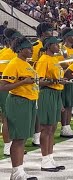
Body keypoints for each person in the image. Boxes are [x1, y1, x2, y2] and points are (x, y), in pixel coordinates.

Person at [0, 36, 38, 180]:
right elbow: (2, 86)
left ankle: (19, 171)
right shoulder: (14, 63)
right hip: (18, 102)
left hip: (28, 101)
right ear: (20, 49)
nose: (31, 50)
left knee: (22, 139)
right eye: (29, 48)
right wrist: (22, 84)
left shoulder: (26, 64)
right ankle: (16, 173)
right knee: (18, 139)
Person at [36, 36, 66, 172]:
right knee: (46, 128)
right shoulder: (43, 60)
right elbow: (39, 81)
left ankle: (50, 157)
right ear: (48, 46)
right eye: (56, 44)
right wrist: (54, 81)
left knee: (53, 128)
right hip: (47, 93)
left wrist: (59, 81)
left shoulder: (55, 59)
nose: (58, 46)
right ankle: (44, 160)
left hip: (56, 93)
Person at [0, 28, 22, 156]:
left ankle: (11, 145)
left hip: (11, 87)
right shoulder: (8, 54)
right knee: (7, 117)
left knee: (10, 117)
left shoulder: (7, 52)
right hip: (6, 87)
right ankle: (7, 147)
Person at [31, 22, 54, 147]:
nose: (51, 32)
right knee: (38, 109)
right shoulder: (36, 46)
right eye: (49, 30)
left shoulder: (50, 44)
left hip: (47, 80)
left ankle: (40, 135)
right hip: (38, 80)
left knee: (42, 111)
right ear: (43, 33)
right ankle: (36, 136)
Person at [59, 27, 73, 138]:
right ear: (66, 37)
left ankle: (68, 126)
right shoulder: (62, 49)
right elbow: (61, 64)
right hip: (65, 79)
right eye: (72, 35)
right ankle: (64, 127)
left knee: (70, 104)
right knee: (66, 104)